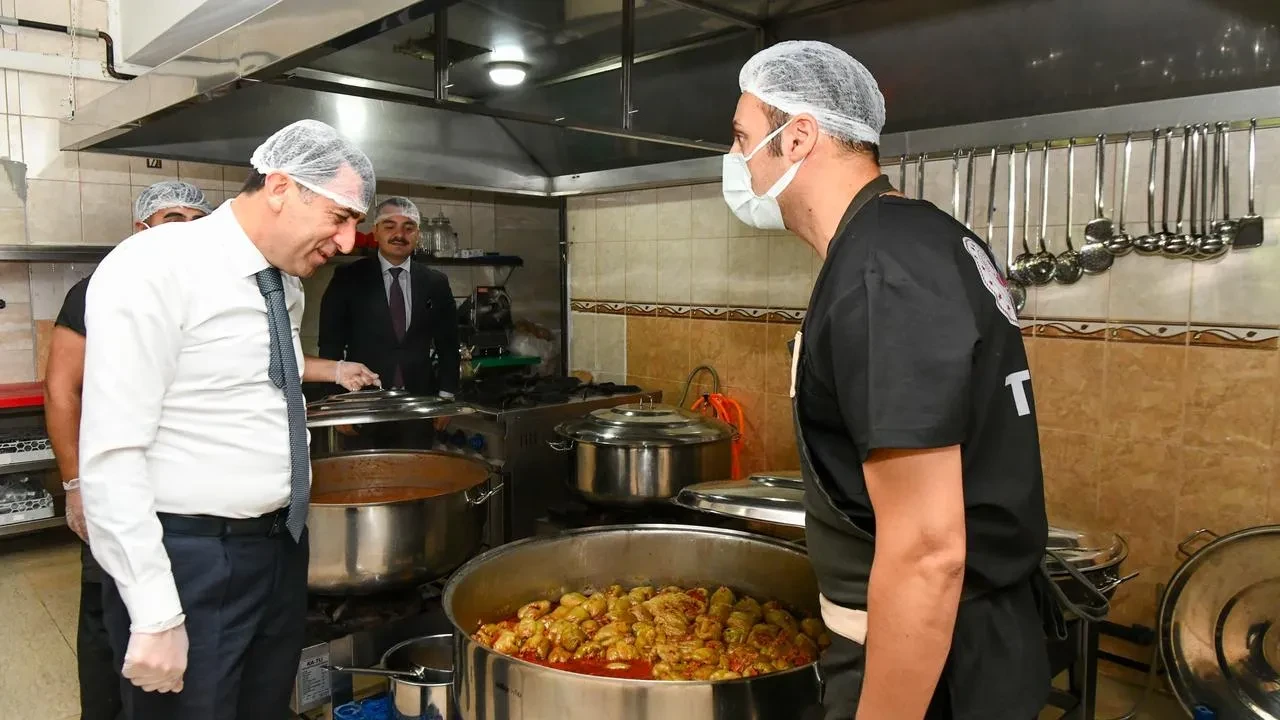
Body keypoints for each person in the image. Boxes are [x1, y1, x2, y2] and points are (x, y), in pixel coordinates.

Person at [722, 41, 1054, 719]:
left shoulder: (882, 271)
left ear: (799, 137)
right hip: (954, 643)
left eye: (742, 138)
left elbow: (929, 553)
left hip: (933, 664)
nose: (734, 161)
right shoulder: (914, 237)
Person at [76, 119, 377, 719]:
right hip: (189, 559)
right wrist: (155, 608)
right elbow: (112, 453)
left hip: (278, 551)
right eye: (340, 217)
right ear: (281, 187)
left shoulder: (284, 284)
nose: (347, 242)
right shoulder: (155, 266)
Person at [45, 180, 211, 720]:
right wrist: (75, 486)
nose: (186, 229)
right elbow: (62, 391)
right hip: (117, 480)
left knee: (176, 604)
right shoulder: (99, 290)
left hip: (184, 488)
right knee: (107, 603)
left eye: (195, 218)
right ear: (141, 229)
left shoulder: (212, 293)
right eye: (171, 218)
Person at [318, 196, 460, 399]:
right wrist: (334, 399)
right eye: (389, 226)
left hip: (420, 401)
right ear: (375, 232)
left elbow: (448, 344)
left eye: (409, 228)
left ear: (418, 234)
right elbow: (331, 343)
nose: (399, 235)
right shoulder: (348, 277)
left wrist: (447, 395)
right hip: (363, 398)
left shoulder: (436, 282)